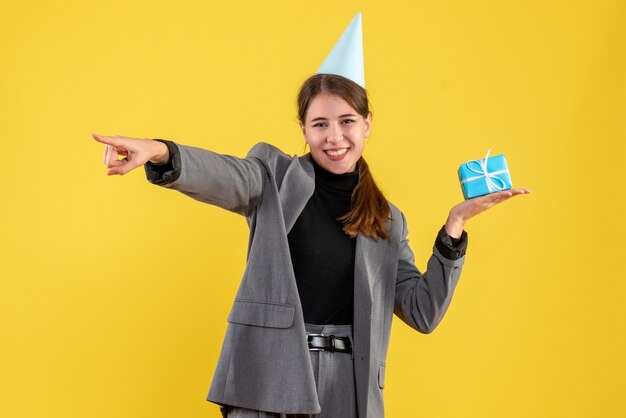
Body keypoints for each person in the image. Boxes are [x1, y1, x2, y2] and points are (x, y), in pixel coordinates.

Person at [91, 73, 529, 418]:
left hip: (349, 387)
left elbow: (422, 311)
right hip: (273, 372)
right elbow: (225, 176)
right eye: (320, 124)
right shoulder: (274, 176)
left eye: (347, 122)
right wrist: (161, 152)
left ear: (367, 124)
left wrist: (455, 226)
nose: (334, 137)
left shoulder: (387, 219)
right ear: (303, 128)